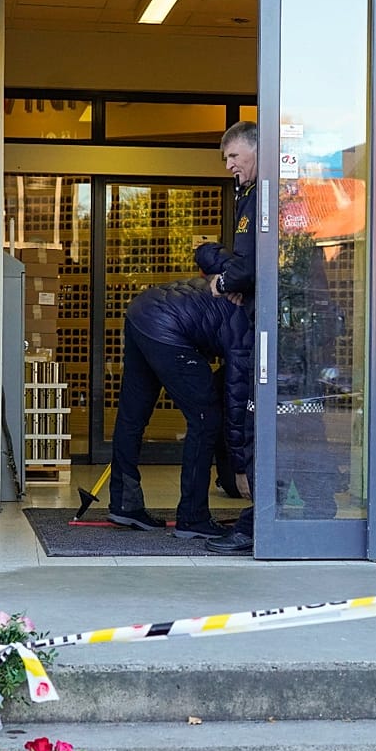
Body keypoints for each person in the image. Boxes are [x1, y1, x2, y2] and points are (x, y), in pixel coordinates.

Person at [107, 278, 253, 540]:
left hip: (142, 309)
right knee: (206, 418)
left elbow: (208, 254)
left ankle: (124, 503)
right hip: (168, 327)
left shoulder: (235, 287)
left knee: (132, 415)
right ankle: (193, 517)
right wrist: (240, 469)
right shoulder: (249, 331)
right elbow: (236, 402)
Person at [193, 121, 259, 553]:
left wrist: (221, 280)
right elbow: (242, 263)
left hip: (268, 334)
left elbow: (250, 264)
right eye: (226, 159)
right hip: (255, 327)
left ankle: (257, 524)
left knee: (253, 423)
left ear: (257, 150)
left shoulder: (267, 196)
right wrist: (230, 271)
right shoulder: (248, 196)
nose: (229, 165)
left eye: (234, 156)